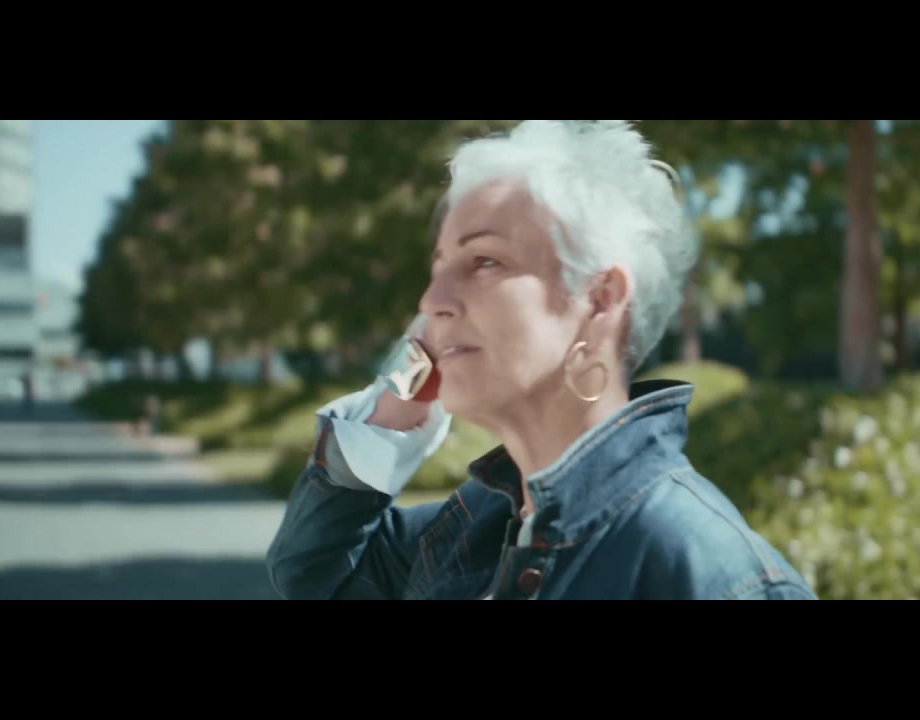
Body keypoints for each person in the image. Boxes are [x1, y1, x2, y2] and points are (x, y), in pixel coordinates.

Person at [266, 120, 816, 600]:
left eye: (484, 261)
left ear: (599, 299)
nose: (431, 301)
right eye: (440, 266)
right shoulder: (479, 524)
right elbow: (316, 573)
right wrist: (404, 389)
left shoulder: (713, 575)